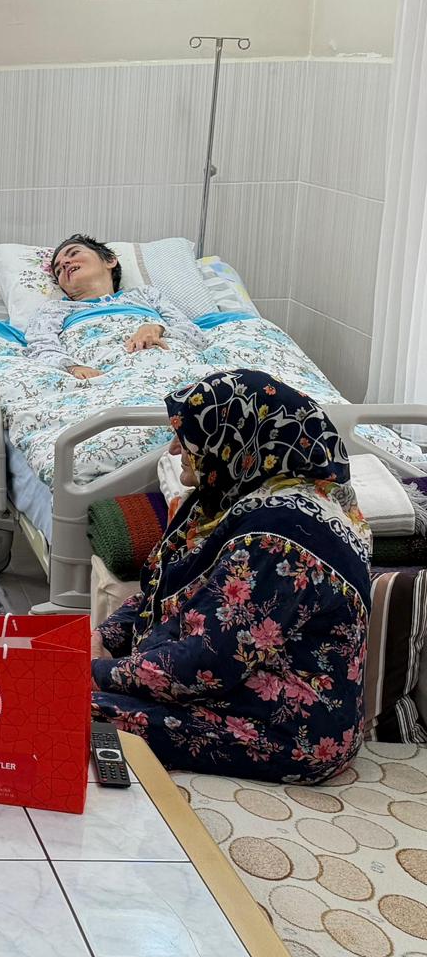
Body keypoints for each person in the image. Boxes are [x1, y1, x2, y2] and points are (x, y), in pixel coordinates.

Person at [92, 370, 370, 784]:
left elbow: (207, 662)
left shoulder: (282, 536)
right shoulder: (224, 503)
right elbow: (161, 595)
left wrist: (98, 670)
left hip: (283, 731)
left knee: (62, 704)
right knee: (55, 688)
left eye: (187, 437)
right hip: (226, 694)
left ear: (237, 440)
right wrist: (104, 635)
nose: (174, 449)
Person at [27, 234, 206, 379]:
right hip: (100, 377)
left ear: (110, 260)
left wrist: (156, 328)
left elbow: (196, 337)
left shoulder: (145, 294)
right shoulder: (55, 309)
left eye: (73, 254)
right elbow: (41, 348)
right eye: (58, 270)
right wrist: (74, 367)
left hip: (174, 368)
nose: (64, 263)